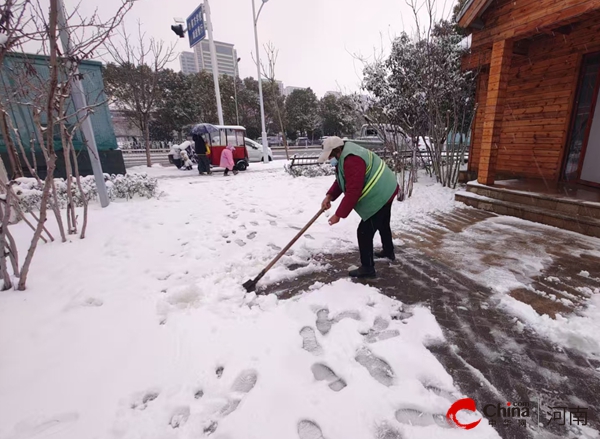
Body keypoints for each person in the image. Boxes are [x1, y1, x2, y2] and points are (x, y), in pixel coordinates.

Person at [319, 136, 398, 278]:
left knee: (364, 231)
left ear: (337, 151)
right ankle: (388, 251)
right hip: (387, 187)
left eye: (330, 156)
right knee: (382, 222)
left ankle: (368, 268)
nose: (329, 159)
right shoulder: (345, 155)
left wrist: (339, 215)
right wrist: (329, 196)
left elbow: (353, 191)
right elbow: (342, 180)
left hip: (381, 193)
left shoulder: (352, 160)